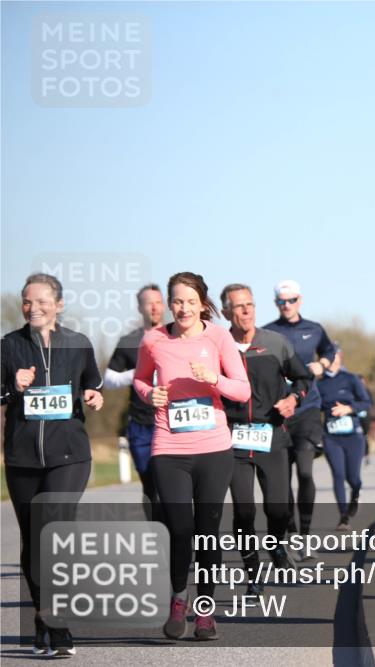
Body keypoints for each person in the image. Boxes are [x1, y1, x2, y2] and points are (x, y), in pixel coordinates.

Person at [133, 272, 251, 640]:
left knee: (207, 533)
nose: (183, 308)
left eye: (190, 301)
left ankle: (204, 612)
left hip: (213, 449)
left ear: (202, 303)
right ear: (170, 303)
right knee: (180, 529)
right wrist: (148, 394)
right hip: (169, 447)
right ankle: (178, 598)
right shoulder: (153, 339)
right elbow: (140, 379)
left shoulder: (218, 337)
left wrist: (214, 379)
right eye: (177, 301)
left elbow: (243, 391)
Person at [2, 273, 104, 657]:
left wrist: (94, 396)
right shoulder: (8, 346)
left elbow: (93, 384)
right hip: (22, 459)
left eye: (42, 301)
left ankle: (58, 625)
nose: (34, 308)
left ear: (59, 305)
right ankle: (42, 619)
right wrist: (12, 387)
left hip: (69, 457)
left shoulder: (78, 344)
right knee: (33, 543)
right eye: (27, 301)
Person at [220, 284, 311, 598]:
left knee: (278, 508)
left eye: (250, 304)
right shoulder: (218, 347)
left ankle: (276, 545)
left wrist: (293, 399)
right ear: (225, 312)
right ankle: (253, 574)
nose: (247, 310)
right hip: (233, 440)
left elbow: (303, 378)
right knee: (244, 510)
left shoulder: (275, 343)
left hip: (271, 435)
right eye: (239, 306)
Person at [263, 280, 338, 550]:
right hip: (279, 412)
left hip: (308, 408)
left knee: (305, 472)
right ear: (276, 303)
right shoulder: (267, 333)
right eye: (282, 301)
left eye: (291, 300)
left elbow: (329, 350)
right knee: (282, 481)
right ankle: (292, 532)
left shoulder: (314, 329)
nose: (287, 305)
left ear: (300, 300)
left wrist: (323, 363)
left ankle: (305, 534)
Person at [103, 283, 165, 520]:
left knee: (171, 484)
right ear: (140, 307)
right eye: (149, 303)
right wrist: (138, 374)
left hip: (171, 421)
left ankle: (178, 532)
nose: (154, 307)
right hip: (141, 424)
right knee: (150, 484)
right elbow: (109, 380)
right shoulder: (129, 341)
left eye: (158, 302)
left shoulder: (175, 336)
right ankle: (158, 530)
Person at [316, 346, 372, 529]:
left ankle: (356, 493)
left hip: (353, 436)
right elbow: (314, 408)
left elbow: (366, 402)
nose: (334, 361)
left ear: (340, 358)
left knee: (353, 478)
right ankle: (343, 517)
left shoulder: (351, 379)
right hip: (331, 437)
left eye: (336, 357)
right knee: (338, 475)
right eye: (330, 357)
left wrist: (348, 408)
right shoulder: (319, 383)